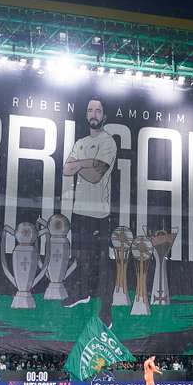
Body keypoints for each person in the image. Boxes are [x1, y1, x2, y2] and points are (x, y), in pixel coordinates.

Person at [62, 97, 118, 325]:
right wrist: (89, 162)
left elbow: (96, 177)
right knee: (81, 259)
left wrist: (79, 164)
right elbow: (66, 169)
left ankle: (106, 311)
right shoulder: (80, 142)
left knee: (103, 266)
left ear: (104, 116)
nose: (93, 114)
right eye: (90, 110)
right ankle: (82, 293)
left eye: (98, 110)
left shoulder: (108, 142)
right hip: (80, 212)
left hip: (100, 215)